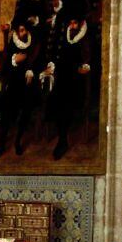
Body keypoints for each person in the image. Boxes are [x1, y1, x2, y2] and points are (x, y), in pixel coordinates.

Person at [43, 8, 92, 160]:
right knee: (56, 98)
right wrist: (52, 66)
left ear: (81, 23)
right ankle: (61, 136)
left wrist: (85, 66)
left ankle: (63, 140)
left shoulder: (85, 37)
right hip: (63, 75)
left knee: (66, 102)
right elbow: (59, 57)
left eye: (75, 23)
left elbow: (89, 59)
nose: (72, 26)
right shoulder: (65, 35)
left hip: (77, 79)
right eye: (70, 23)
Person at [0, 18, 43, 157]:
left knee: (26, 110)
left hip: (28, 84)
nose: (20, 33)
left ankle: (17, 141)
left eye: (23, 30)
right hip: (13, 83)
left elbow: (37, 62)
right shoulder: (12, 42)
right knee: (7, 111)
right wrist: (14, 61)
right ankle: (2, 144)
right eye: (18, 31)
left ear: (27, 31)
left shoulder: (33, 43)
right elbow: (5, 65)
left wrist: (31, 72)